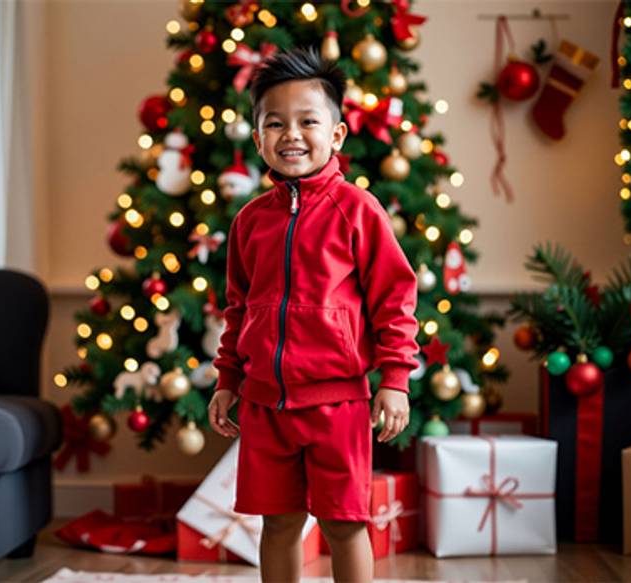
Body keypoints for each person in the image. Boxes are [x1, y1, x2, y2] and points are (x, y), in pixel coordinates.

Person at [207, 48, 419, 583]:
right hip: (264, 405)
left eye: (307, 121)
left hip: (338, 402)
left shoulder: (358, 210)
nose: (291, 135)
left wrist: (394, 380)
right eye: (274, 124)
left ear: (338, 135)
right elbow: (238, 309)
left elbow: (395, 298)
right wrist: (227, 380)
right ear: (258, 141)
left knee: (344, 523)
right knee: (277, 524)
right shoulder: (250, 222)